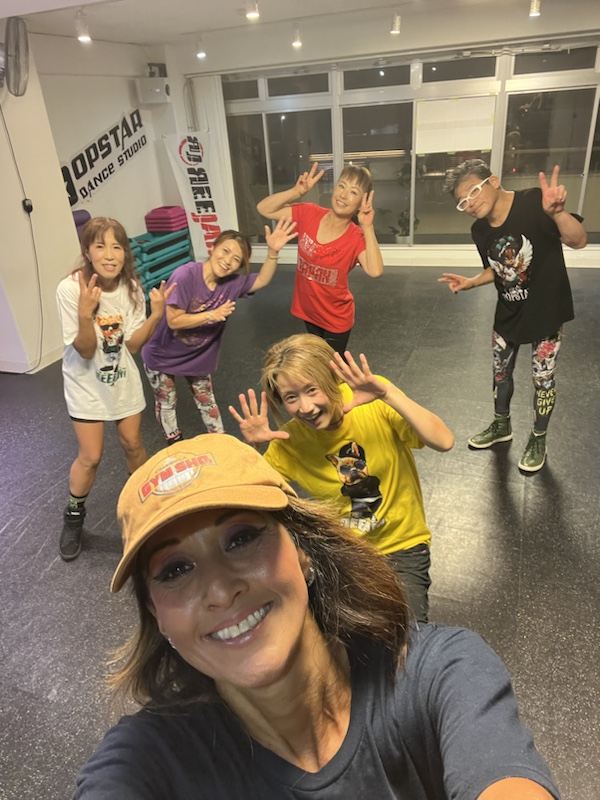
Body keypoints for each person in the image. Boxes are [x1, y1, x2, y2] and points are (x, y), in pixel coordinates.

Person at [74, 434, 560, 800]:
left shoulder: (439, 674)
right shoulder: (145, 760)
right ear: (157, 617)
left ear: (303, 552)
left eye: (241, 538)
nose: (220, 590)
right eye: (175, 570)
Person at [229, 333, 454, 623]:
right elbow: (243, 502)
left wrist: (388, 393)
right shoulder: (290, 441)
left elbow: (443, 441)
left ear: (331, 380)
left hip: (402, 545)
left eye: (312, 390)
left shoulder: (372, 401)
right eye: (291, 398)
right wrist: (251, 449)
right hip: (346, 554)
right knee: (343, 636)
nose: (305, 407)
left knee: (409, 635)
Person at [438, 160, 587, 473]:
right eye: (462, 202)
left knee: (542, 379)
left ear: (493, 181)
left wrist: (558, 213)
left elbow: (578, 241)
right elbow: (497, 269)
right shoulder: (479, 229)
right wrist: (470, 282)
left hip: (546, 312)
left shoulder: (534, 202)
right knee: (500, 374)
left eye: (473, 192)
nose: (470, 203)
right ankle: (501, 425)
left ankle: (538, 438)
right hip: (508, 311)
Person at [56, 216, 173, 562]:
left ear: (125, 253)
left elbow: (133, 345)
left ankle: (147, 509)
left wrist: (156, 315)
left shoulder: (131, 288)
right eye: (100, 246)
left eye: (117, 247)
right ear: (87, 252)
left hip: (121, 380)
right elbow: (86, 350)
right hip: (85, 384)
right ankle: (73, 516)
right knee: (90, 456)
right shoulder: (70, 289)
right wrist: (84, 314)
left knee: (133, 444)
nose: (109, 255)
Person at [141, 220, 297, 443]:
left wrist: (273, 252)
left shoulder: (232, 283)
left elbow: (262, 280)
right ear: (212, 248)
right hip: (162, 354)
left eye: (236, 259)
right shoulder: (186, 275)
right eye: (225, 251)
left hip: (198, 357)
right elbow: (174, 321)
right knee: (167, 402)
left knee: (207, 402)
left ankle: (221, 442)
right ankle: (174, 443)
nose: (228, 261)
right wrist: (212, 315)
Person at [256, 162, 384, 354]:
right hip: (308, 311)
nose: (343, 195)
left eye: (353, 192)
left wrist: (367, 226)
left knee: (331, 366)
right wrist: (296, 192)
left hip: (336, 318)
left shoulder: (356, 237)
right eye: (341, 186)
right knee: (317, 361)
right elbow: (264, 209)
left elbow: (375, 271)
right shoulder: (309, 214)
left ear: (361, 202)